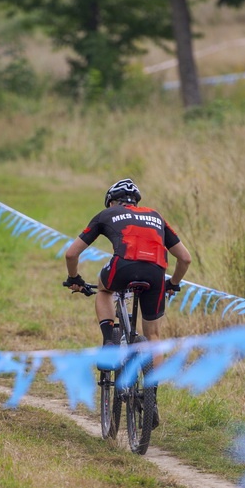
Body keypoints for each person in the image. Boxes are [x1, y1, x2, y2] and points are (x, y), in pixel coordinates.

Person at [64, 178, 192, 428]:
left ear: (112, 201)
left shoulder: (107, 213)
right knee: (153, 335)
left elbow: (71, 253)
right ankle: (151, 396)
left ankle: (110, 340)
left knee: (105, 290)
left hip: (122, 267)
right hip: (157, 272)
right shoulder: (156, 216)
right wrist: (172, 284)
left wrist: (74, 279)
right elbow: (185, 259)